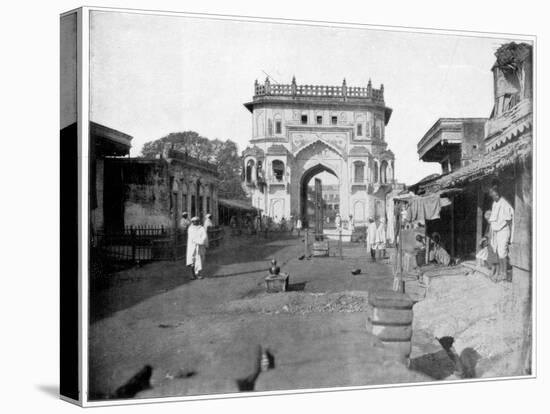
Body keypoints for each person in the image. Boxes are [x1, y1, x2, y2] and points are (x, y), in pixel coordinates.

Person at [488, 184, 514, 281]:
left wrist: (511, 235)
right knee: (499, 252)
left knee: (503, 252)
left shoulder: (504, 204)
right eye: (492, 196)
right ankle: (502, 273)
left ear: (498, 194)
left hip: (504, 230)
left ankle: (504, 273)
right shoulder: (495, 203)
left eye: (494, 195)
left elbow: (509, 220)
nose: (493, 197)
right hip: (497, 231)